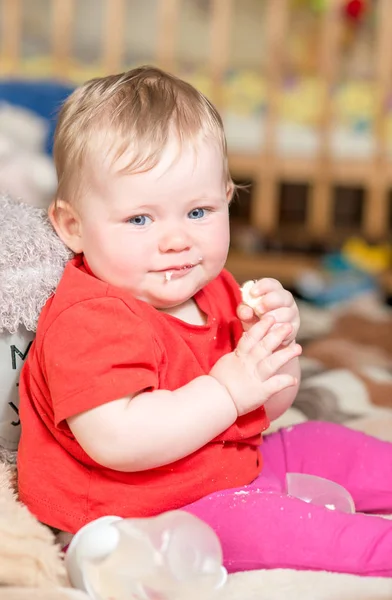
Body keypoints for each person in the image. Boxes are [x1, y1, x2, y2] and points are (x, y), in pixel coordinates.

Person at [18, 66, 392, 577]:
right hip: (146, 510)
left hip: (228, 465)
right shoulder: (92, 316)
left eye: (198, 212)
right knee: (290, 530)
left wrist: (275, 348)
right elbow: (118, 440)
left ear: (228, 199)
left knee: (329, 444)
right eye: (140, 219)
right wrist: (227, 390)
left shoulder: (212, 287)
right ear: (73, 227)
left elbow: (269, 405)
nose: (177, 240)